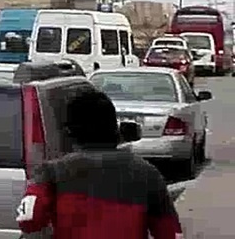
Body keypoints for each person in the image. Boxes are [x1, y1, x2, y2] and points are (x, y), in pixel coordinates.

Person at [16, 89, 182, 239]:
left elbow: (29, 219)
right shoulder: (148, 174)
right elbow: (170, 233)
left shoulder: (51, 173)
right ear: (115, 129)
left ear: (69, 133)